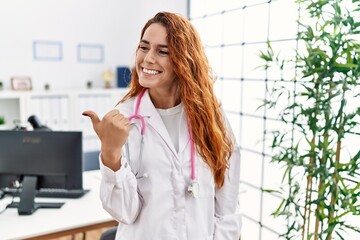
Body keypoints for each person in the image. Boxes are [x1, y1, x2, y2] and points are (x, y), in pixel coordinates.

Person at [83, 11, 242, 240]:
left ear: (185, 60)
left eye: (162, 51)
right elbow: (124, 212)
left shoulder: (212, 118)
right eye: (144, 47)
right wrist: (111, 153)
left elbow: (227, 207)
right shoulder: (124, 120)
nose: (148, 58)